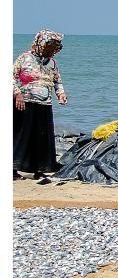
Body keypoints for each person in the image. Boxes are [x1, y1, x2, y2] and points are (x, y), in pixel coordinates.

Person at [13, 29, 68, 180]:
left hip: (44, 104)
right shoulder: (24, 58)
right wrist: (17, 93)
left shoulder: (52, 63)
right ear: (39, 43)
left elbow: (57, 81)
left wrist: (61, 94)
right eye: (47, 47)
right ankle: (13, 169)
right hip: (24, 103)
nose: (50, 51)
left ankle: (39, 169)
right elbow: (10, 77)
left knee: (42, 138)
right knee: (21, 136)